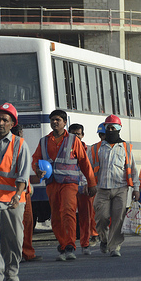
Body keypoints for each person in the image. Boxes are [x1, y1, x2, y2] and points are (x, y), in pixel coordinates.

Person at [32, 110, 97, 261]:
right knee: (55, 216)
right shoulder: (44, 141)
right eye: (53, 120)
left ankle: (70, 246)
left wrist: (91, 183)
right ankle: (62, 245)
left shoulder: (73, 140)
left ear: (64, 122)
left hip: (69, 183)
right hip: (52, 183)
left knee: (68, 212)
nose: (55, 122)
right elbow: (36, 158)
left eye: (58, 120)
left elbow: (85, 163)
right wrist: (37, 169)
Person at [0, 103, 31, 281]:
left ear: (12, 124)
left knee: (13, 239)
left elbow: (23, 175)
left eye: (5, 120)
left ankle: (11, 270)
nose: (0, 122)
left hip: (12, 199)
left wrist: (18, 195)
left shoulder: (20, 144)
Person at [88, 115, 139, 257]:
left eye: (113, 128)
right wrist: (87, 184)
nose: (110, 130)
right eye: (108, 127)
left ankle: (114, 247)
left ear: (119, 129)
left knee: (118, 218)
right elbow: (87, 169)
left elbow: (133, 170)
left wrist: (136, 189)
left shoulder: (126, 148)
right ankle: (104, 239)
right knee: (102, 217)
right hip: (101, 189)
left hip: (121, 189)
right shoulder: (95, 148)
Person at [10, 124, 42, 263]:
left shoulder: (21, 147)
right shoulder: (15, 149)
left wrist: (38, 177)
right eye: (21, 133)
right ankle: (20, 254)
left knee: (27, 225)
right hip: (17, 193)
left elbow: (26, 176)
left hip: (24, 193)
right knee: (19, 226)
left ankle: (26, 253)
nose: (22, 135)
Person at [69, 123, 98, 256]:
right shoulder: (64, 149)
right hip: (69, 187)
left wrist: (90, 184)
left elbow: (91, 168)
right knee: (68, 216)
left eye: (78, 135)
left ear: (83, 135)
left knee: (86, 217)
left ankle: (85, 243)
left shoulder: (89, 150)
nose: (76, 137)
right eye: (73, 134)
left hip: (85, 188)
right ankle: (68, 244)